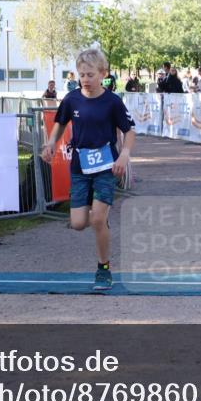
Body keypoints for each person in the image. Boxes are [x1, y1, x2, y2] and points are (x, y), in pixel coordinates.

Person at [41, 48, 136, 291]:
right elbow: (60, 123)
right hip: (80, 167)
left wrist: (124, 154)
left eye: (90, 74)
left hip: (107, 166)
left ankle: (103, 269)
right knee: (78, 223)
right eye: (82, 74)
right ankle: (99, 221)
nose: (85, 79)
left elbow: (129, 131)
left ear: (103, 74)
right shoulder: (72, 99)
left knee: (97, 220)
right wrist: (51, 143)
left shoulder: (112, 101)